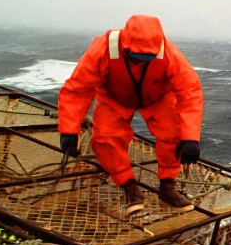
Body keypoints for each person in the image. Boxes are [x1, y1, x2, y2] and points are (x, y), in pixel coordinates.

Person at [58, 15, 204, 215]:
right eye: (135, 56)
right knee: (105, 139)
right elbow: (78, 88)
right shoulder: (103, 48)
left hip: (157, 99)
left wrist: (191, 139)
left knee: (174, 136)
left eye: (146, 58)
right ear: (124, 44)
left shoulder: (170, 54)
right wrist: (69, 130)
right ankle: (130, 188)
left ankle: (167, 187)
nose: (140, 62)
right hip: (113, 98)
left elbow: (190, 92)